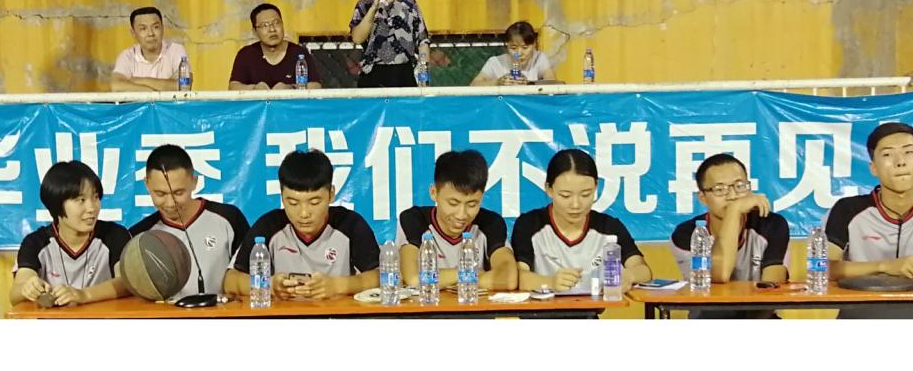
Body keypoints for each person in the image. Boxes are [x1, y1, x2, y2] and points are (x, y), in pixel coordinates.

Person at [224, 149, 379, 300]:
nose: (304, 213)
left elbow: (380, 276)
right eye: (293, 203)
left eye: (314, 202)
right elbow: (230, 281)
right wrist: (268, 286)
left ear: (331, 194)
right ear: (282, 197)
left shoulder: (350, 224)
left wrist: (337, 286)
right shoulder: (269, 225)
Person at [824, 122, 913, 317]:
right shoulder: (847, 209)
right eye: (887, 154)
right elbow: (823, 268)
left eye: (908, 152)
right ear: (874, 168)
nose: (900, 162)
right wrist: (884, 266)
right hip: (861, 318)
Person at [512, 149, 652, 292]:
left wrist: (629, 276)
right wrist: (550, 282)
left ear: (596, 187)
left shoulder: (609, 227)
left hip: (595, 307)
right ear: (549, 189)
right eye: (565, 195)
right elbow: (519, 278)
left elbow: (643, 270)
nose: (576, 205)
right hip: (542, 306)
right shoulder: (529, 225)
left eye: (585, 194)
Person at [670, 153, 790, 319]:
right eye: (720, 190)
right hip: (708, 318)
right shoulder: (687, 234)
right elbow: (720, 274)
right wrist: (734, 211)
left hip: (760, 318)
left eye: (739, 186)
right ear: (702, 198)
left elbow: (771, 291)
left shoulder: (772, 225)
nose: (732, 196)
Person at [130, 145, 249, 298]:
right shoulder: (139, 238)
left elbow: (249, 274)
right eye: (160, 194)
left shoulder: (229, 218)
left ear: (194, 182)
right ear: (147, 184)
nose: (170, 203)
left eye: (178, 193)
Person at [10, 161, 130, 307]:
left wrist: (83, 295)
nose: (91, 208)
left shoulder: (115, 235)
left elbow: (126, 282)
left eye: (96, 197)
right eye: (81, 200)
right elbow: (15, 293)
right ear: (56, 204)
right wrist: (28, 287)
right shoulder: (35, 243)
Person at [396, 150, 518, 291]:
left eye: (472, 204)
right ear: (434, 193)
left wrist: (443, 278)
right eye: (453, 203)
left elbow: (508, 279)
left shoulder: (491, 223)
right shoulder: (413, 219)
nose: (461, 215)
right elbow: (413, 278)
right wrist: (469, 274)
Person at [348, 0, 429, 88]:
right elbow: (357, 38)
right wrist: (374, 7)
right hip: (372, 73)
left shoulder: (409, 4)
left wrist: (424, 75)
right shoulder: (364, 5)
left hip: (404, 72)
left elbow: (422, 41)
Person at [229, 3, 322, 90]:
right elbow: (233, 86)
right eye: (265, 25)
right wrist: (254, 89)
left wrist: (290, 88)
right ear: (255, 32)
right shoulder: (246, 54)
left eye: (276, 22)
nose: (272, 29)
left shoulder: (299, 53)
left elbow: (316, 86)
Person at [111, 6, 188, 91]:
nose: (151, 33)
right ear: (133, 33)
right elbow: (116, 86)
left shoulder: (176, 50)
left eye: (156, 27)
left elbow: (185, 85)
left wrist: (137, 81)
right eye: (143, 29)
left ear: (163, 28)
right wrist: (155, 92)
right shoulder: (127, 56)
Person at [470, 21, 555, 86]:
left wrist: (529, 83)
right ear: (507, 46)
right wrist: (497, 82)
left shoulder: (539, 58)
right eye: (513, 48)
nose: (519, 53)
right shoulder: (496, 62)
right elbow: (474, 85)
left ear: (534, 45)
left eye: (525, 47)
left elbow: (552, 83)